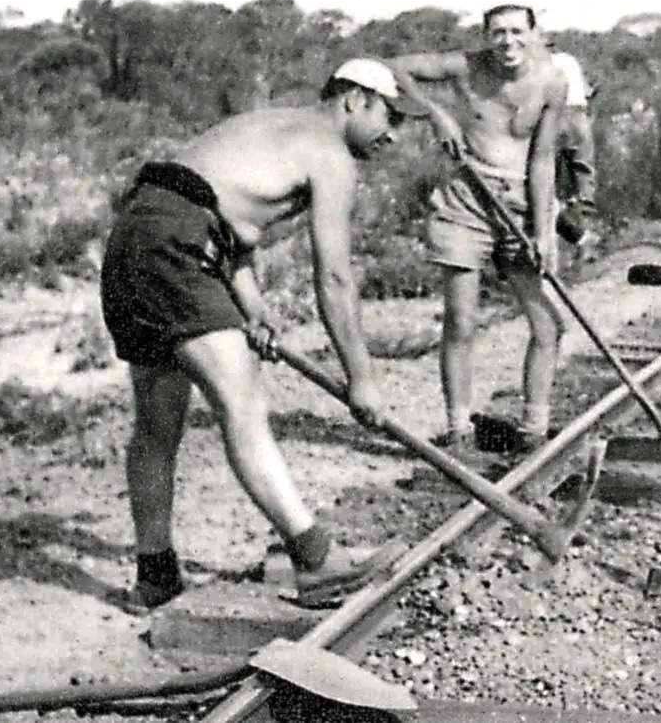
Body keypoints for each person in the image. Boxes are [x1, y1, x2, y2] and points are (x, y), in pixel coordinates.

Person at [98, 59, 427, 612]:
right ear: (355, 99)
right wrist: (362, 379)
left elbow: (221, 215)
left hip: (137, 237)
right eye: (389, 115)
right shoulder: (329, 151)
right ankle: (317, 561)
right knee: (243, 404)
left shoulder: (271, 125)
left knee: (157, 422)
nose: (393, 133)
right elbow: (336, 277)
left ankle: (155, 576)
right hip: (178, 248)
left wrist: (252, 308)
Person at [384, 4, 570, 453]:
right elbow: (390, 69)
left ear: (534, 33)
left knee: (549, 325)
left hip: (521, 207)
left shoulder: (552, 82)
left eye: (517, 32)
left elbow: (543, 159)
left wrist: (543, 232)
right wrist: (433, 113)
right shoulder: (464, 68)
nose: (507, 42)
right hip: (467, 199)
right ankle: (458, 430)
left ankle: (534, 431)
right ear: (486, 36)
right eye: (498, 33)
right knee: (461, 321)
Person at [546, 41, 601, 262]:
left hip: (555, 117)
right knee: (584, 181)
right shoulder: (569, 59)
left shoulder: (538, 63)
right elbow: (588, 92)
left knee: (546, 184)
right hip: (579, 117)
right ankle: (586, 240)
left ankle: (572, 239)